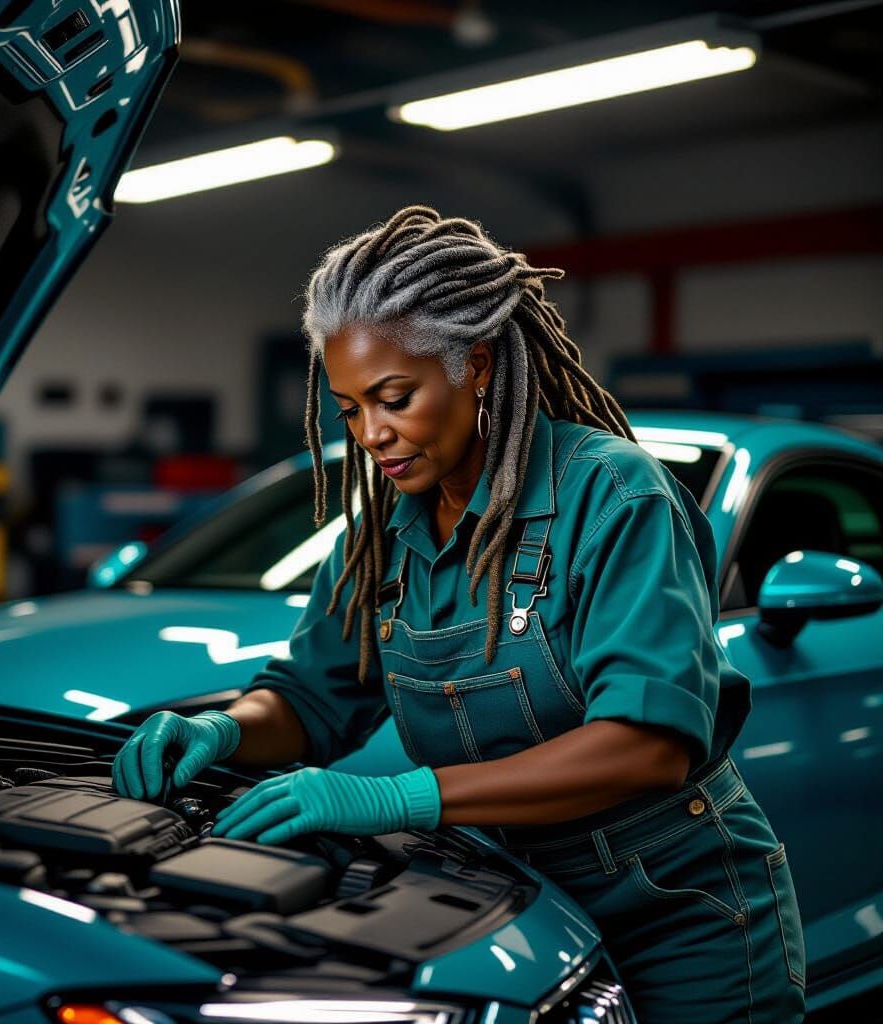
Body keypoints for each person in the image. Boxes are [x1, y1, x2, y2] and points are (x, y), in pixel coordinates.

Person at [112, 206, 806, 1023]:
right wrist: (226, 729)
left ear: (476, 365)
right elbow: (309, 698)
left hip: (674, 911)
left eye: (394, 397)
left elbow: (644, 748)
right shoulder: (383, 537)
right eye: (348, 408)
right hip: (519, 913)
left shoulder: (615, 497)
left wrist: (401, 798)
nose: (372, 433)